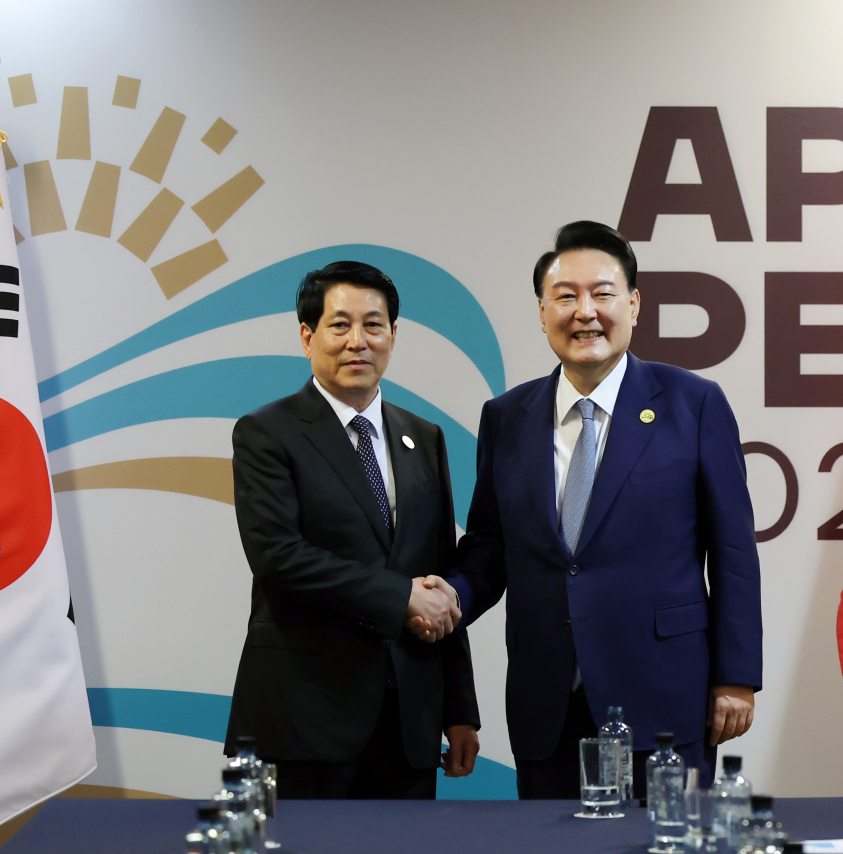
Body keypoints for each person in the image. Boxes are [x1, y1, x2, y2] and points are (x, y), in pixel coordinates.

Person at [441, 221, 761, 799]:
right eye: (565, 296)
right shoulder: (507, 417)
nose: (584, 311)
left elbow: (733, 550)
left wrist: (735, 678)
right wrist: (452, 597)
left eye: (603, 294)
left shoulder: (694, 404)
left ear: (634, 305)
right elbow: (490, 544)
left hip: (664, 695)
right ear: (542, 312)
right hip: (549, 704)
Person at [224, 260, 480, 799]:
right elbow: (278, 556)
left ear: (393, 335)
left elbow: (439, 577)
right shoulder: (267, 433)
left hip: (408, 720)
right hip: (306, 719)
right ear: (307, 336)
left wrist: (460, 710)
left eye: (373, 325)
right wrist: (401, 596)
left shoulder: (424, 437)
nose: (357, 341)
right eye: (339, 325)